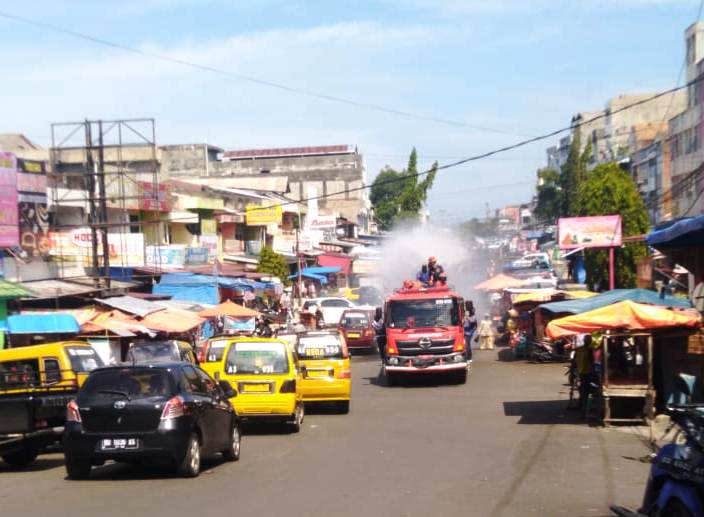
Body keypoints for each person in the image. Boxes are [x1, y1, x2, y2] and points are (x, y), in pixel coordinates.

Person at [575, 334, 595, 410]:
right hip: (588, 372)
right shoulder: (589, 350)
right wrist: (594, 372)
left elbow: (574, 361)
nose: (590, 341)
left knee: (583, 388)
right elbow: (591, 362)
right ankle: (584, 405)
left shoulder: (579, 349)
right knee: (587, 389)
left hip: (581, 371)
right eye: (589, 340)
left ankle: (582, 403)